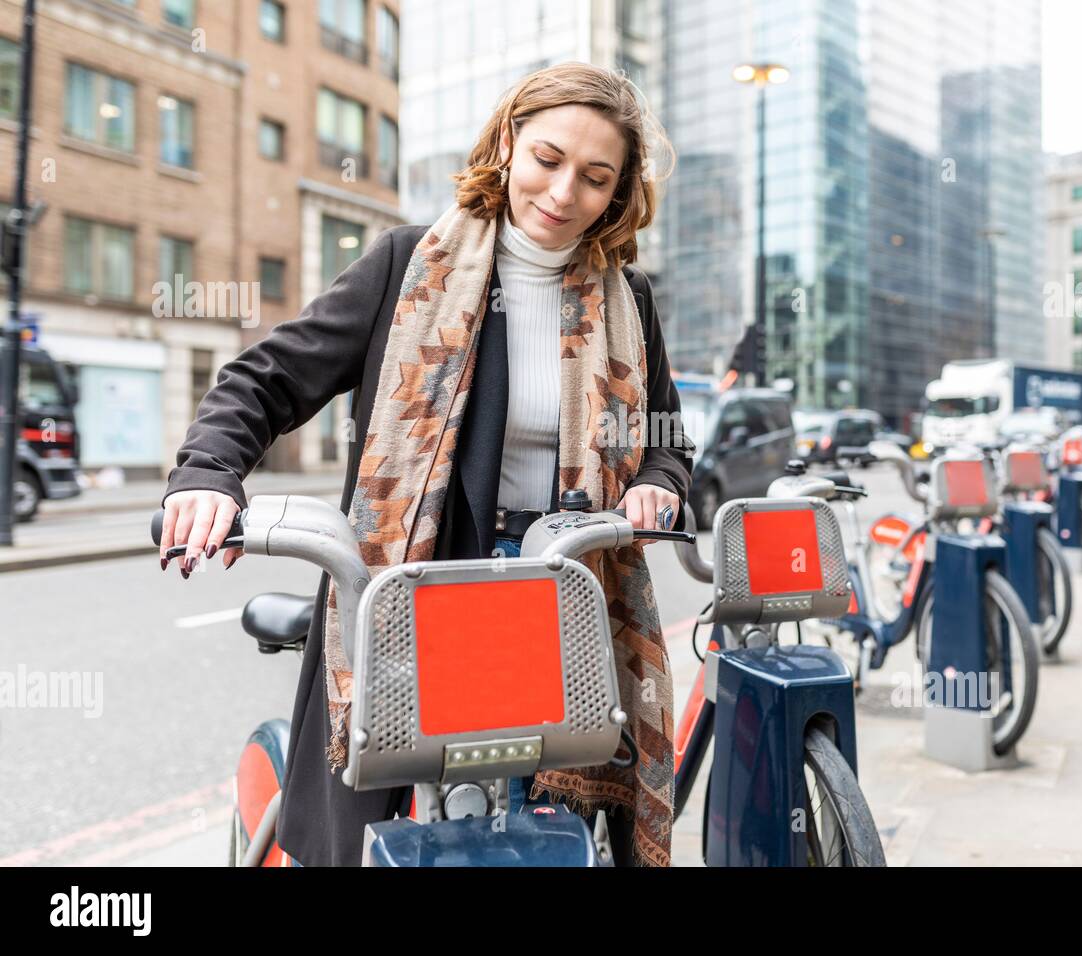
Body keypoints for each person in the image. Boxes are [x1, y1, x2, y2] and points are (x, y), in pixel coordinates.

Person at [157, 63, 691, 867]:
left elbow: (666, 438)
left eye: (594, 177)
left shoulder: (630, 298)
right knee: (362, 829)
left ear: (616, 194)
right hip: (416, 591)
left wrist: (658, 479)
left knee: (555, 830)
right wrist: (206, 474)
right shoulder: (406, 263)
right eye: (547, 158)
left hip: (563, 594)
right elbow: (264, 381)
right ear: (509, 143)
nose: (562, 192)